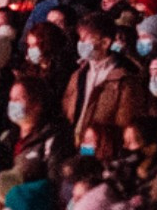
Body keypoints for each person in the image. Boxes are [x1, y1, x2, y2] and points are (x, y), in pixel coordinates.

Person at [62, 12, 145, 159]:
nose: (80, 43)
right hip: (76, 149)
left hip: (104, 153)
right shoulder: (79, 75)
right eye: (79, 38)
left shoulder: (124, 80)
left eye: (85, 39)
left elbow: (124, 122)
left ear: (105, 43)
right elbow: (67, 107)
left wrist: (104, 149)